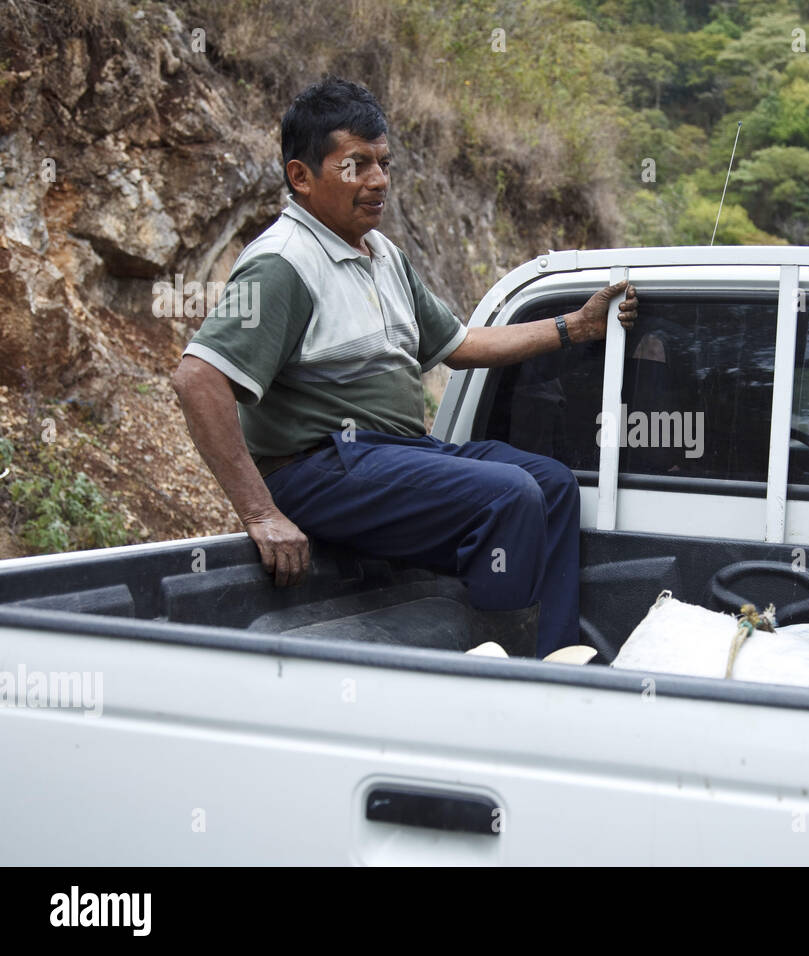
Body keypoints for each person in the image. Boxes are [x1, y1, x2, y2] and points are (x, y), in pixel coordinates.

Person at [171, 77, 637, 658]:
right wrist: (261, 513)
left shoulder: (382, 253)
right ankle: (502, 675)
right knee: (509, 496)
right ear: (301, 177)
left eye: (384, 164)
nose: (378, 181)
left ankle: (554, 660)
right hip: (319, 467)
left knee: (551, 486)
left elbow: (460, 344)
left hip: (392, 455)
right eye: (356, 165)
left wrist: (575, 327)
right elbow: (198, 378)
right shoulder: (282, 263)